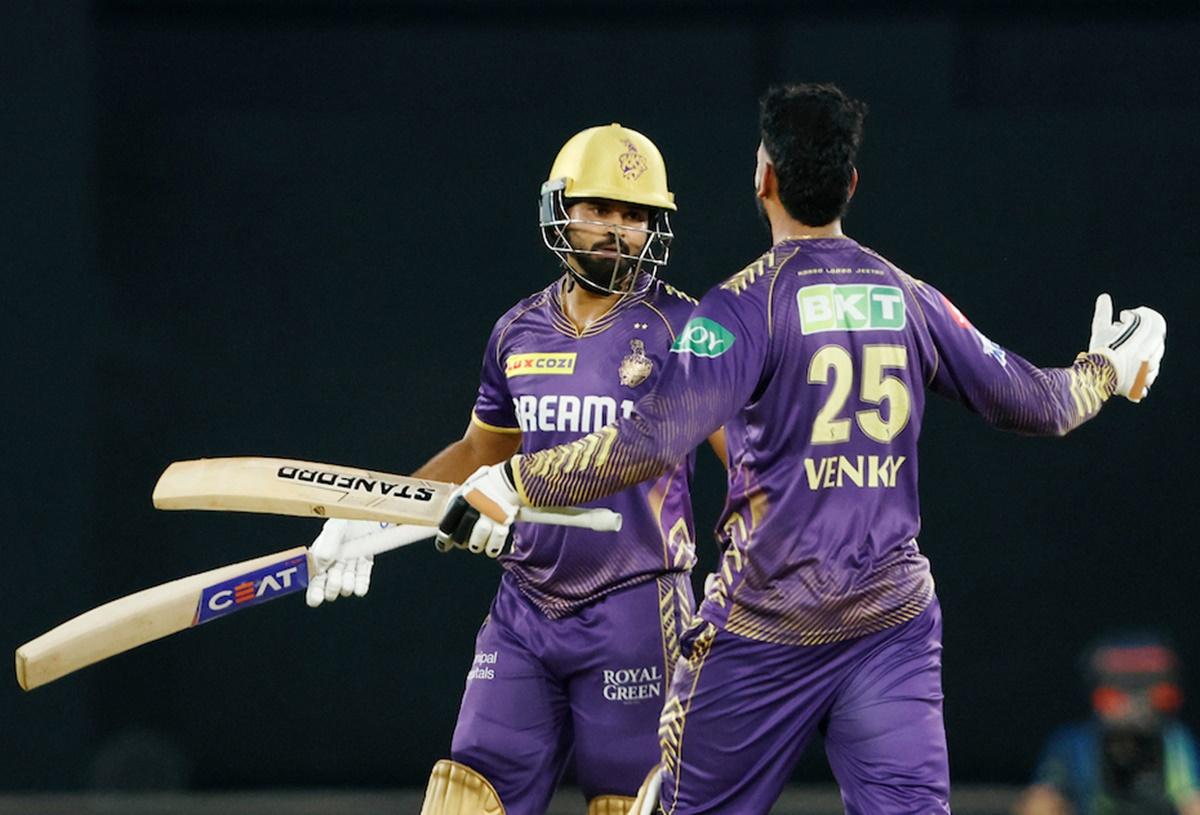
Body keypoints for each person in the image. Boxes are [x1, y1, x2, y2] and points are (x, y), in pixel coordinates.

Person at [434, 82, 1168, 814]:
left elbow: (650, 440)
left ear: (764, 177)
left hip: (762, 627)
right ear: (851, 183)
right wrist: (1107, 368)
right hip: (889, 623)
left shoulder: (736, 309)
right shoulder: (908, 296)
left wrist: (520, 478)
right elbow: (1040, 403)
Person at [306, 123, 725, 815]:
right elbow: (479, 455)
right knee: (464, 797)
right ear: (561, 210)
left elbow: (750, 458)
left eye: (635, 214)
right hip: (525, 610)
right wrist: (380, 511)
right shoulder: (517, 329)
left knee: (634, 803)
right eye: (599, 209)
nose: (617, 230)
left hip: (635, 605)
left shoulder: (692, 326)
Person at [1016, 633, 1200, 815]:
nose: (1135, 706)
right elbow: (1042, 799)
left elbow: (1192, 799)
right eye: (1115, 695)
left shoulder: (1176, 742)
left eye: (1154, 694)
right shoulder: (1074, 743)